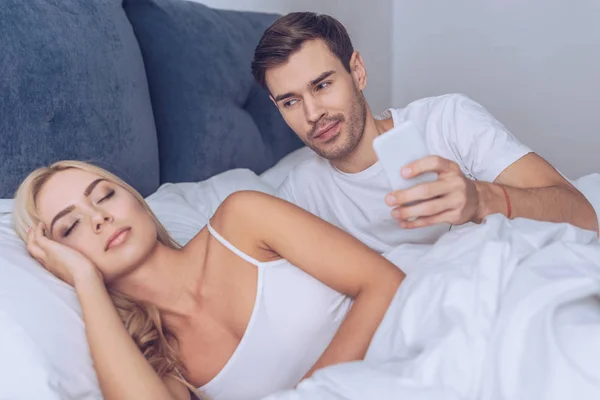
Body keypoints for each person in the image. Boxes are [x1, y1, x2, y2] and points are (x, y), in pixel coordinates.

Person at [13, 160, 405, 400]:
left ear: (136, 200)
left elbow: (384, 282)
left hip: (409, 352)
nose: (99, 217)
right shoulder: (159, 359)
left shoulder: (242, 220)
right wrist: (85, 281)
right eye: (71, 226)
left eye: (104, 195)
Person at [251, 12, 598, 254]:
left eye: (322, 85)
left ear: (357, 72)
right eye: (291, 102)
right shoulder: (298, 196)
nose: (313, 114)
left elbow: (584, 215)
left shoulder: (448, 121)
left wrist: (481, 199)